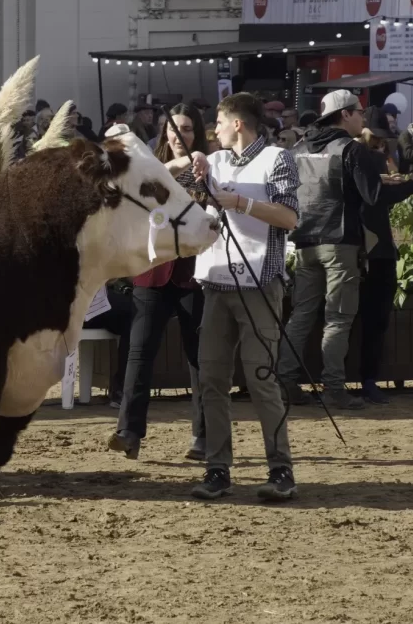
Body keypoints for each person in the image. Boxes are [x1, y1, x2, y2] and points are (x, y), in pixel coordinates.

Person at [280, 90, 413, 410]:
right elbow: (372, 197)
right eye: (358, 111)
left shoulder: (299, 148)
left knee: (302, 315)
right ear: (344, 115)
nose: (362, 116)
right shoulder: (350, 148)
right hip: (340, 243)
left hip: (305, 242)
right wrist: (402, 182)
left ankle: (286, 381)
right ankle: (335, 388)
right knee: (338, 318)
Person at [189, 92, 300, 501]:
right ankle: (217, 468)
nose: (212, 129)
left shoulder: (276, 158)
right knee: (211, 379)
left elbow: (289, 217)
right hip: (215, 282)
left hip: (259, 283)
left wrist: (240, 202)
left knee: (261, 378)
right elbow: (183, 194)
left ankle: (280, 469)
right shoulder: (213, 161)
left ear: (237, 122)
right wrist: (195, 170)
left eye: (218, 121)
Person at [107, 103, 209, 461]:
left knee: (199, 358)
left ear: (198, 132)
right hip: (152, 273)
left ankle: (203, 436)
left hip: (194, 274)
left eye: (188, 128)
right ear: (166, 132)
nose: (180, 135)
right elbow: (142, 187)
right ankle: (129, 432)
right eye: (175, 128)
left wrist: (199, 168)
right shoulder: (151, 164)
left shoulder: (207, 168)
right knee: (139, 353)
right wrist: (180, 163)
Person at [357, 106, 413, 404]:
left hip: (362, 247)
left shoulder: (356, 154)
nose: (382, 144)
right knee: (374, 318)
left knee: (354, 319)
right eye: (378, 138)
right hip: (372, 250)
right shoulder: (364, 155)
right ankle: (368, 379)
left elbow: (370, 191)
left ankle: (363, 379)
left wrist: (387, 180)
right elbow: (375, 197)